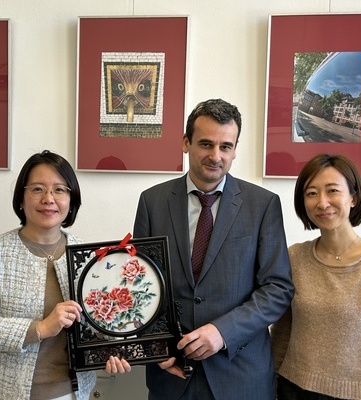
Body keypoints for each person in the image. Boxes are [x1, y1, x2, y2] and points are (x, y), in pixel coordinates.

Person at [133, 98, 294, 400]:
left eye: (225, 146)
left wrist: (223, 332)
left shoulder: (263, 205)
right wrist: (156, 346)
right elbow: (139, 286)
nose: (215, 156)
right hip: (172, 375)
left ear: (235, 149)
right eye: (206, 144)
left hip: (240, 375)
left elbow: (277, 288)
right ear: (186, 143)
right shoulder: (152, 202)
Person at [0, 150, 131, 400]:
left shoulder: (89, 257)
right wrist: (40, 328)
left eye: (59, 190)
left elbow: (100, 324)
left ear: (71, 200)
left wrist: (111, 351)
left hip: (70, 393)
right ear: (21, 198)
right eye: (37, 189)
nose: (48, 199)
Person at [270, 153, 361, 400]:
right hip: (292, 389)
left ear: (353, 198)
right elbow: (282, 331)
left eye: (332, 191)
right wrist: (271, 386)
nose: (322, 203)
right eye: (312, 193)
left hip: (355, 395)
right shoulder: (294, 258)